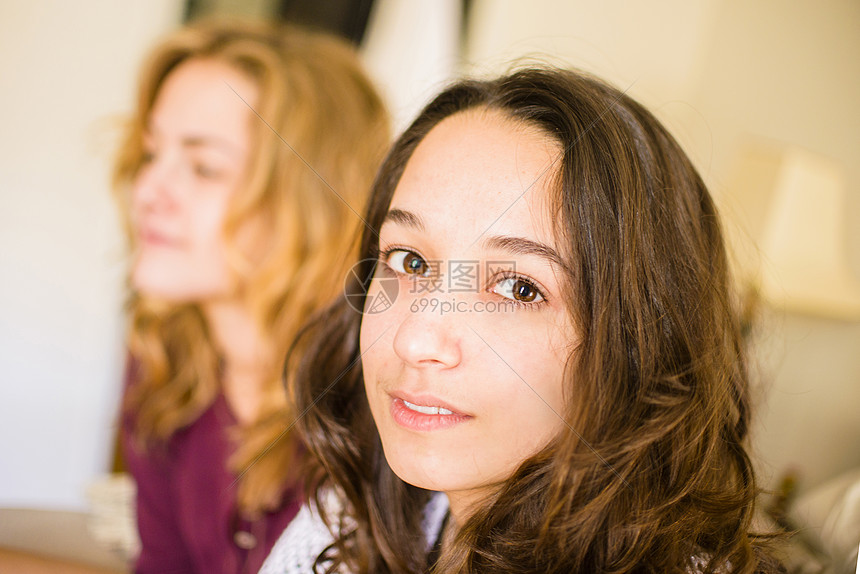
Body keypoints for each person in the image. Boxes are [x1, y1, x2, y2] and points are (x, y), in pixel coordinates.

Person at [261, 66, 782, 573]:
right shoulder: (339, 529)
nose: (414, 338)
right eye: (409, 262)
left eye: (518, 288)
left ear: (637, 346)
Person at [112, 19, 389, 574]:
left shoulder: (381, 400)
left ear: (309, 205)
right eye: (150, 154)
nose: (147, 191)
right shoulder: (164, 361)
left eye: (203, 167)